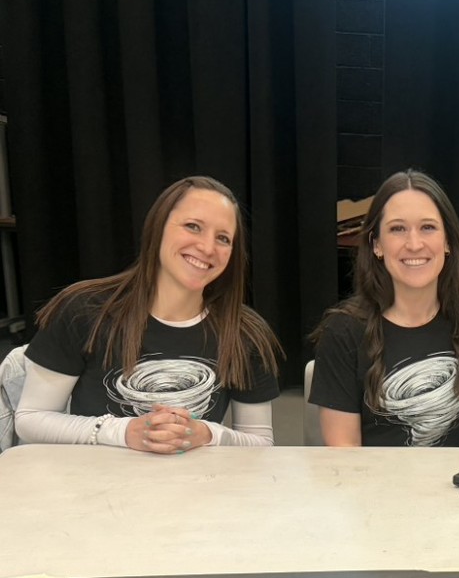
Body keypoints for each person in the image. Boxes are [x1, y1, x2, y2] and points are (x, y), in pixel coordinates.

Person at [16, 176, 281, 451]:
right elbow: (31, 419)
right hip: (94, 484)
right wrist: (123, 431)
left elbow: (260, 444)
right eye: (193, 227)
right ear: (158, 228)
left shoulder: (245, 331)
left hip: (195, 487)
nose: (207, 247)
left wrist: (207, 435)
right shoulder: (84, 310)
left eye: (223, 238)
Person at [310, 170, 459, 447]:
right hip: (368, 488)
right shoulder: (341, 333)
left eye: (428, 227)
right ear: (377, 245)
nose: (414, 244)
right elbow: (344, 454)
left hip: (456, 489)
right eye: (397, 229)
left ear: (448, 241)